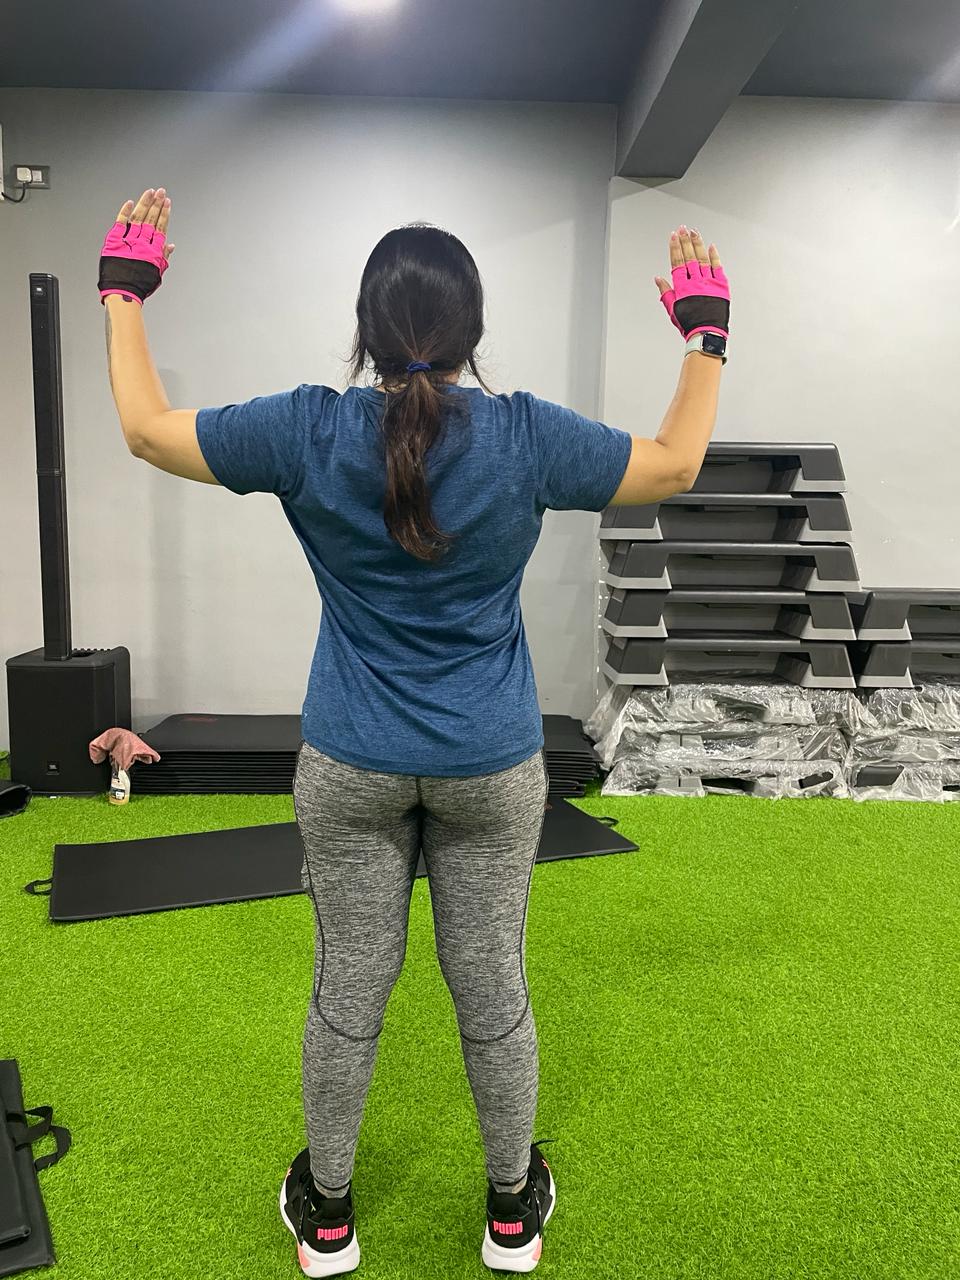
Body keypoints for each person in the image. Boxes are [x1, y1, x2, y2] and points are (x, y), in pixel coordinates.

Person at [99, 188, 729, 1277]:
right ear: (473, 331)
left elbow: (147, 432)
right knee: (492, 990)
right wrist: (705, 334)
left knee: (349, 987)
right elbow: (675, 464)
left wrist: (124, 294)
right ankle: (510, 1214)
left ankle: (330, 1218)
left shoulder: (309, 428)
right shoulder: (524, 434)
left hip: (352, 764)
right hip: (491, 767)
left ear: (365, 329)